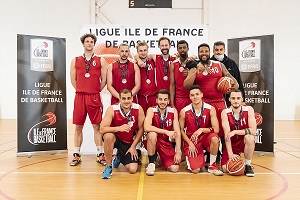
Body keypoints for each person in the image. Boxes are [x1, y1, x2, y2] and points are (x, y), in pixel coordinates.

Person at [184, 43, 239, 152]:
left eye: (206, 51)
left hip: (219, 102)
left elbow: (235, 85)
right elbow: (186, 85)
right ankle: (210, 154)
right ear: (198, 53)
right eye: (201, 51)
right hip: (203, 104)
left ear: (210, 53)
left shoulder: (218, 65)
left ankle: (225, 153)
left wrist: (229, 84)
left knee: (223, 130)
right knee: (207, 131)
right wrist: (195, 71)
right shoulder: (195, 67)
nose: (204, 54)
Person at [69, 33, 107, 166]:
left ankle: (100, 154)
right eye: (87, 41)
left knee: (97, 126)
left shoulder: (101, 60)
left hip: (94, 96)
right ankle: (77, 154)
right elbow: (73, 80)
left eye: (91, 41)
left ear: (94, 44)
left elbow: (104, 80)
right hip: (80, 96)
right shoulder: (75, 60)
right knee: (78, 126)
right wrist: (82, 89)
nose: (89, 43)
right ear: (83, 43)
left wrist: (94, 90)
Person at [100, 89, 145, 179]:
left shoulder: (138, 108)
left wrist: (133, 146)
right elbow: (102, 129)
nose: (126, 101)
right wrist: (118, 128)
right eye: (123, 98)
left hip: (128, 142)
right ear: (119, 99)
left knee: (133, 169)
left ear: (132, 98)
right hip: (116, 138)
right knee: (108, 136)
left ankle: (119, 157)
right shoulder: (112, 109)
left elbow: (141, 129)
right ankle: (108, 166)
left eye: (129, 98)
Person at [179, 85, 223, 175]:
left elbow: (217, 129)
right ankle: (200, 160)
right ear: (189, 97)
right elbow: (181, 130)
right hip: (192, 139)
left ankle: (212, 165)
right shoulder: (184, 111)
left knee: (215, 138)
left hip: (205, 137)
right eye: (192, 95)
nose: (195, 97)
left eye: (197, 94)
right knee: (196, 170)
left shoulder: (210, 109)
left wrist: (202, 129)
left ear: (202, 95)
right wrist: (189, 143)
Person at [144, 89, 182, 176]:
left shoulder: (173, 111)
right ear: (156, 100)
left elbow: (177, 132)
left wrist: (178, 151)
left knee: (175, 168)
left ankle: (159, 158)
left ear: (168, 101)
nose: (163, 102)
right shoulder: (151, 110)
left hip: (165, 143)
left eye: (165, 99)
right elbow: (146, 127)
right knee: (152, 134)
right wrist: (166, 132)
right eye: (160, 99)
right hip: (153, 140)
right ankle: (151, 163)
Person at [220, 89, 256, 177]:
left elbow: (253, 130)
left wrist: (235, 131)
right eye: (233, 98)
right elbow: (227, 135)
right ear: (229, 99)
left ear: (242, 99)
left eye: (238, 98)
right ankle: (235, 157)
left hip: (242, 142)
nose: (236, 101)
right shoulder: (225, 112)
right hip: (231, 144)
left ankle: (247, 165)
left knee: (250, 138)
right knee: (225, 169)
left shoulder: (249, 109)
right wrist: (230, 154)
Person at [211, 41, 245, 106]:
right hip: (214, 99)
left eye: (221, 50)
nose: (219, 52)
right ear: (213, 51)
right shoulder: (209, 63)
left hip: (229, 98)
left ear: (224, 50)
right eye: (216, 50)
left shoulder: (232, 63)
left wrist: (242, 99)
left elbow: (238, 80)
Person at [170, 40, 191, 112]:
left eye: (184, 47)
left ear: (188, 49)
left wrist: (190, 73)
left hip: (192, 97)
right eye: (180, 48)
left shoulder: (194, 62)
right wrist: (172, 104)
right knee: (180, 121)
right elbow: (172, 85)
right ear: (177, 50)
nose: (182, 50)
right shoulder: (173, 64)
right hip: (179, 98)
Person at [136, 42, 157, 113]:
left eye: (145, 50)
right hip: (140, 97)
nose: (143, 53)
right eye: (141, 51)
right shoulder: (135, 64)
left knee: (154, 118)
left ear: (147, 51)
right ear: (137, 52)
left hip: (153, 96)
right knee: (142, 119)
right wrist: (138, 60)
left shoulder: (152, 61)